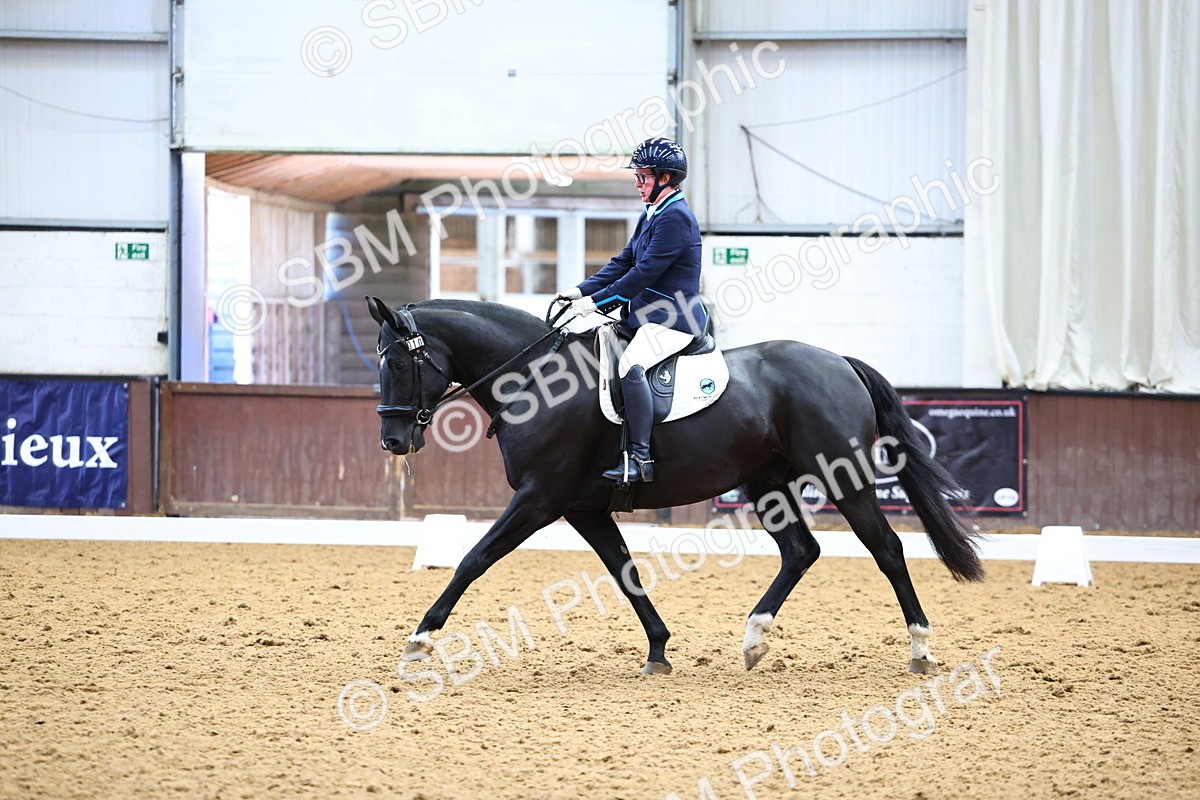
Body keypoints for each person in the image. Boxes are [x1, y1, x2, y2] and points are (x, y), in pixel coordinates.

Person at [555, 137, 705, 484]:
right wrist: (578, 290)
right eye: (636, 177)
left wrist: (596, 303)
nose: (637, 184)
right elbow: (624, 262)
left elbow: (644, 273)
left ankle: (639, 459)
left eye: (643, 177)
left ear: (665, 178)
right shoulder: (653, 213)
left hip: (673, 319)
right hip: (646, 314)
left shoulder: (676, 218)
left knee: (631, 366)